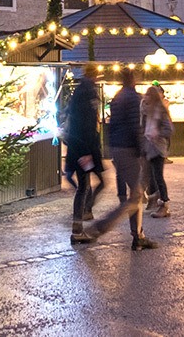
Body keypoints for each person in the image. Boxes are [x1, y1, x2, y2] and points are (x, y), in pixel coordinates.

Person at [86, 68, 156, 250]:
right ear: (133, 79)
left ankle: (138, 235)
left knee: (136, 194)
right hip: (129, 150)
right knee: (135, 197)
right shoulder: (133, 98)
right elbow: (135, 126)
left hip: (118, 148)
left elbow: (112, 125)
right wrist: (142, 150)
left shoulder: (117, 97)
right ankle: (100, 227)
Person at [63, 68, 105, 244]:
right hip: (84, 148)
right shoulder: (88, 92)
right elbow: (86, 125)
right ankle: (78, 227)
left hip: (80, 147)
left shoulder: (80, 90)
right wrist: (86, 152)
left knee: (85, 186)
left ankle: (80, 223)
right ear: (94, 75)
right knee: (84, 187)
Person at [143, 85, 174, 218]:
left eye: (148, 96)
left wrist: (157, 133)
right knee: (150, 176)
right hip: (148, 147)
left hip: (158, 148)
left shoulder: (160, 110)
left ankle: (164, 203)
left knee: (158, 177)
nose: (145, 98)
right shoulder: (147, 110)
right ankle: (153, 200)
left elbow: (170, 129)